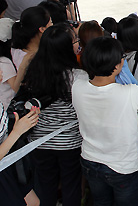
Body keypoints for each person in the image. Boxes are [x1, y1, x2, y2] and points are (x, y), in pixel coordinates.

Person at [74, 36, 138, 205]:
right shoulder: (130, 92)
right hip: (125, 167)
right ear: (116, 66)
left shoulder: (77, 87)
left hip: (90, 160)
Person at [24, 24, 85, 206]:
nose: (78, 44)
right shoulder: (78, 76)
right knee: (71, 187)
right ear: (66, 48)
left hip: (39, 141)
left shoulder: (34, 70)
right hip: (70, 143)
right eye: (75, 41)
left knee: (45, 187)